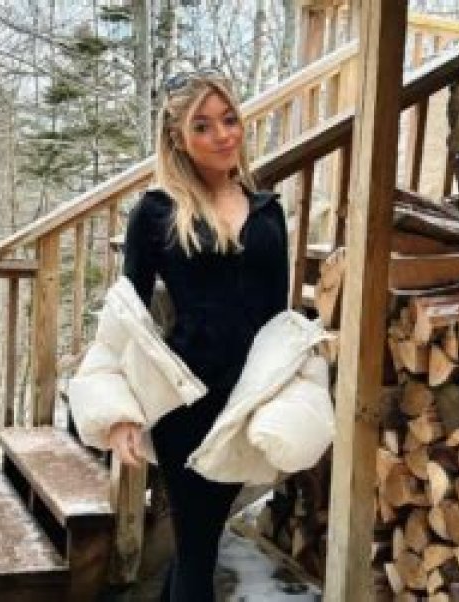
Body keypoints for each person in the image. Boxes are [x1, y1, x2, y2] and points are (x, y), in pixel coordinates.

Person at [107, 69, 290, 602]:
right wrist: (120, 409)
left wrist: (279, 395)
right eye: (203, 126)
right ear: (178, 139)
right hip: (185, 400)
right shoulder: (156, 212)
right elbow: (126, 319)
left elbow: (277, 319)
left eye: (229, 119)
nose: (223, 135)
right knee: (198, 546)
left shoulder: (268, 212)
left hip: (245, 398)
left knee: (198, 543)